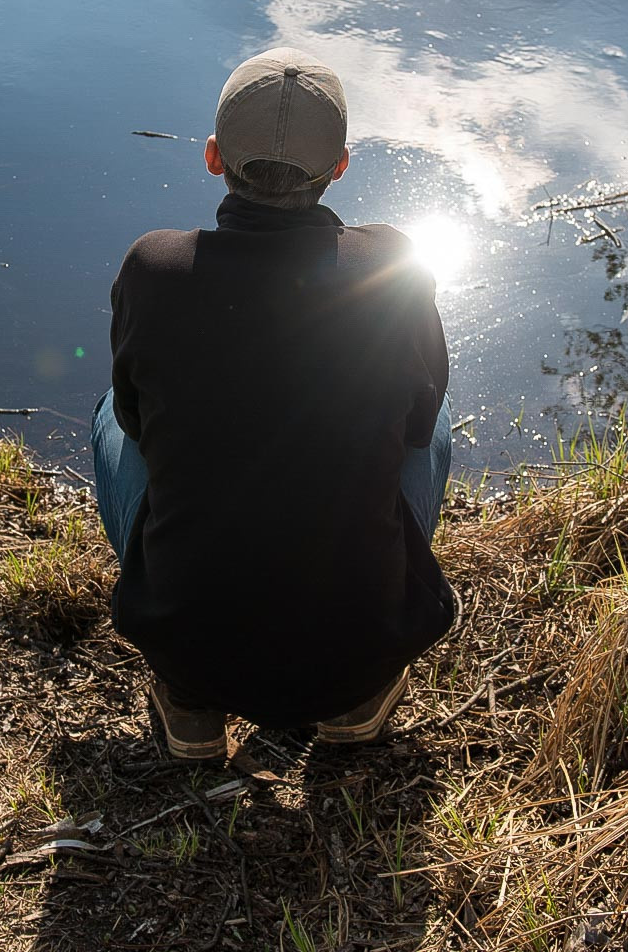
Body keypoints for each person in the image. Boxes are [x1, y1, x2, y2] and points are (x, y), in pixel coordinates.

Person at [91, 47, 455, 759]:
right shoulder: (392, 270)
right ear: (341, 166)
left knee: (114, 410)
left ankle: (190, 706)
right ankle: (354, 704)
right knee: (430, 417)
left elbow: (134, 421)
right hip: (360, 649)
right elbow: (417, 425)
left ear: (211, 156)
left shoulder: (155, 268)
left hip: (190, 648)